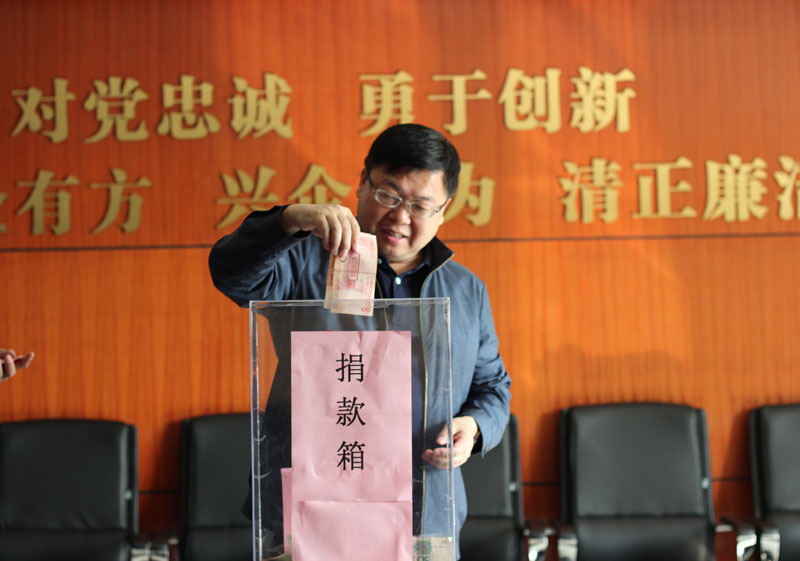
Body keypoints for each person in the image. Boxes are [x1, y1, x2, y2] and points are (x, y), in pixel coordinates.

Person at [209, 123, 511, 558]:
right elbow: (231, 274)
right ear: (362, 183)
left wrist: (475, 427)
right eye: (389, 195)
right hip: (310, 513)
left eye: (420, 205)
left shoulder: (466, 291)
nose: (401, 216)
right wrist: (288, 221)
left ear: (444, 209)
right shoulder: (304, 261)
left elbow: (493, 387)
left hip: (424, 516)